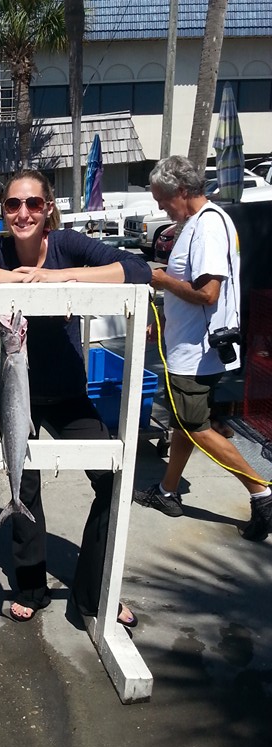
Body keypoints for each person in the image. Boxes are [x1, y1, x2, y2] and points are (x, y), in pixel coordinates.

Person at [0, 168, 151, 624]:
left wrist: (61, 278)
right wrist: (20, 280)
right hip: (14, 393)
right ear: (3, 211)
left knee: (113, 482)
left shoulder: (67, 245)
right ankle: (31, 586)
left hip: (67, 393)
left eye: (33, 204)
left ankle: (94, 591)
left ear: (48, 209)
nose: (23, 213)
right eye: (13, 204)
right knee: (24, 489)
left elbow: (138, 268)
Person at [132, 155, 272, 539]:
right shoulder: (199, 222)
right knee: (185, 422)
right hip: (193, 347)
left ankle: (262, 493)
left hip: (195, 354)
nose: (161, 206)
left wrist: (161, 280)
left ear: (180, 191)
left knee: (195, 426)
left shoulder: (206, 226)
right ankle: (168, 491)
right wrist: (164, 315)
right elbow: (194, 285)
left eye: (162, 199)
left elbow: (208, 293)